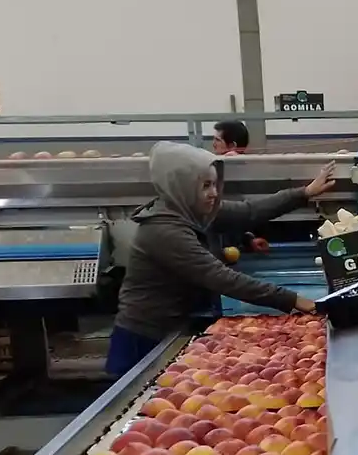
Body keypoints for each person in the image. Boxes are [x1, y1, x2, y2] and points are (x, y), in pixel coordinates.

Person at [107, 142, 335, 375]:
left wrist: (304, 193)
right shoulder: (164, 230)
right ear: (182, 186)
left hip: (179, 328)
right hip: (146, 339)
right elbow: (220, 277)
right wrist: (295, 300)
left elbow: (250, 211)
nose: (214, 193)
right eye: (205, 186)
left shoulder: (194, 210)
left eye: (215, 184)